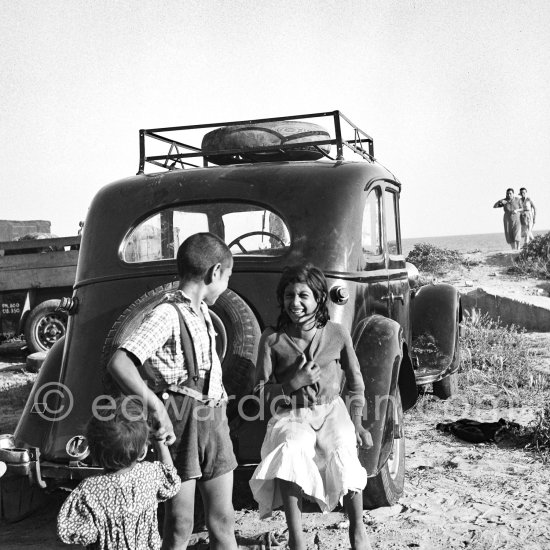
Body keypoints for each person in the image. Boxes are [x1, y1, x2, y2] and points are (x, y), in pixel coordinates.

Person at [107, 232, 238, 550]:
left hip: (214, 421)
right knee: (180, 525)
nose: (227, 286)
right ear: (214, 272)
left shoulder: (204, 312)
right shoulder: (166, 313)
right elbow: (120, 362)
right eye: (228, 277)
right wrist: (154, 405)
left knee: (223, 520)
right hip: (181, 423)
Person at [249, 264, 373, 550]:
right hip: (291, 413)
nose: (295, 303)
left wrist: (357, 422)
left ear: (319, 298)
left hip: (332, 410)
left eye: (304, 295)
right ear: (281, 299)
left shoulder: (338, 334)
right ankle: (296, 538)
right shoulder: (272, 339)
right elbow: (257, 394)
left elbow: (356, 383)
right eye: (289, 295)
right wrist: (293, 383)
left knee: (343, 447)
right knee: (290, 449)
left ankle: (358, 530)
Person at [57, 397, 181, 550]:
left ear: (92, 452)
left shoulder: (88, 490)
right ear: (142, 451)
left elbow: (74, 532)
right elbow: (171, 478)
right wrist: (160, 442)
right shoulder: (149, 475)